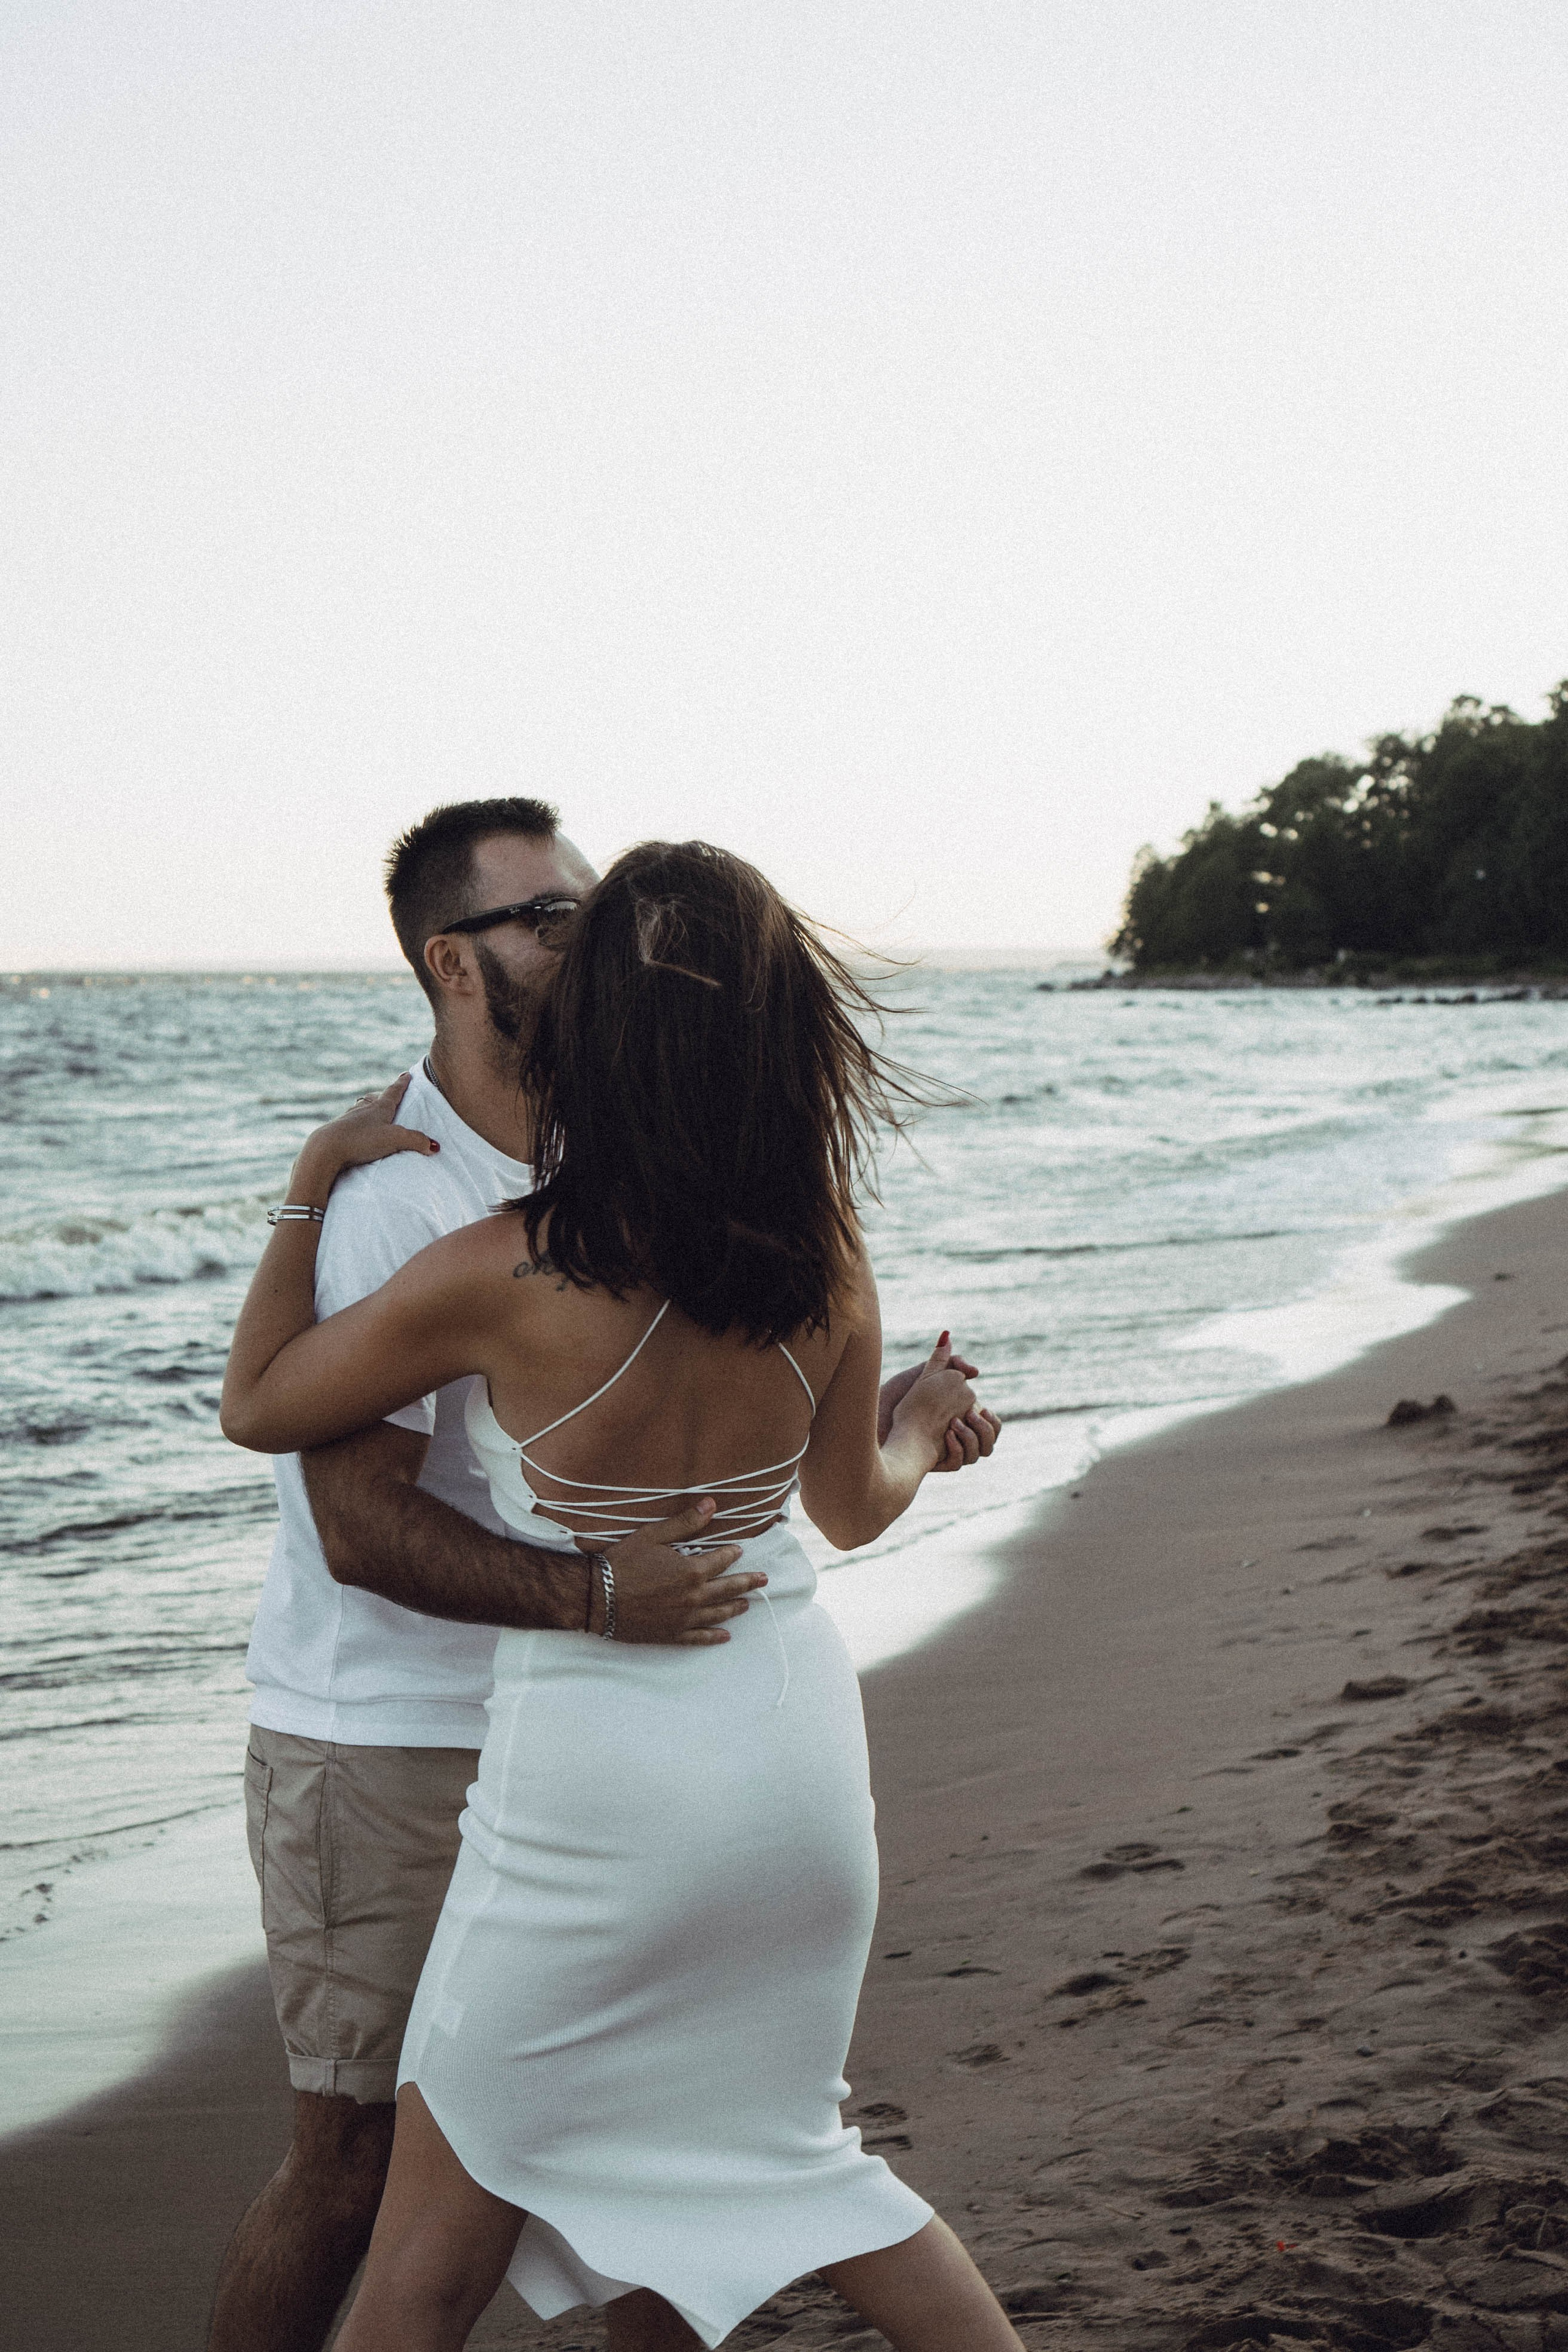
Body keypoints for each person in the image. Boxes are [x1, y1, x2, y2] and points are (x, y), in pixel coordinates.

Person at [210, 801, 996, 2352]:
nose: (567, 947)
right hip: (779, 1759)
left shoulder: (510, 1261)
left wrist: (303, 1184)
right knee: (790, 2163)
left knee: (431, 2246)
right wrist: (912, 1419)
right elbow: (850, 1507)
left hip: (589, 1781)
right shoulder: (816, 1248)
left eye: (585, 926)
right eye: (543, 917)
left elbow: (257, 1408)